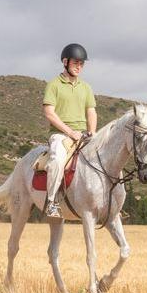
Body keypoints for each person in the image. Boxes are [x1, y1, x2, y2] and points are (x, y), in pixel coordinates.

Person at [41, 43, 97, 219]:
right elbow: (49, 113)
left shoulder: (86, 87)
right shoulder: (53, 85)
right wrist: (70, 132)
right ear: (65, 62)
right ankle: (51, 201)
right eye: (76, 63)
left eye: (82, 64)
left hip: (84, 134)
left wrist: (93, 132)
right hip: (61, 135)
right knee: (57, 159)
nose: (79, 67)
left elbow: (91, 111)